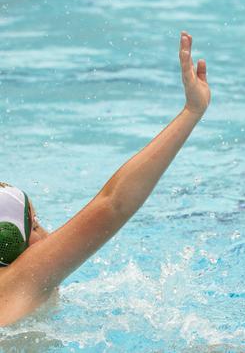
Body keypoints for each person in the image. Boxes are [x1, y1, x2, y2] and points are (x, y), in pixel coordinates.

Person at [0, 31, 211, 327]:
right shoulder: (20, 279)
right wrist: (192, 112)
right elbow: (114, 203)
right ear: (6, 240)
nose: (48, 235)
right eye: (33, 225)